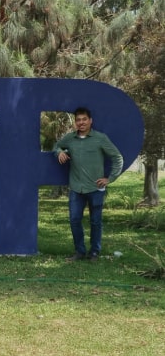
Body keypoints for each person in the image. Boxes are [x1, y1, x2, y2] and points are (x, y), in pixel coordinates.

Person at [54, 107, 123, 261]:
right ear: (75, 122)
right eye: (78, 120)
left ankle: (94, 252)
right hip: (76, 188)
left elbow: (117, 157)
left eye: (84, 119)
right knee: (74, 220)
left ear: (90, 121)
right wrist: (59, 151)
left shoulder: (100, 138)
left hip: (96, 188)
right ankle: (79, 251)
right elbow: (56, 145)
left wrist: (110, 178)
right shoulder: (70, 139)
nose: (81, 122)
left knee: (96, 221)